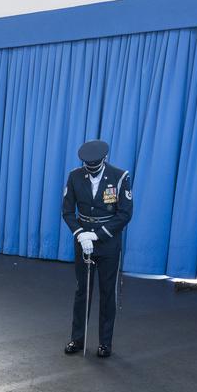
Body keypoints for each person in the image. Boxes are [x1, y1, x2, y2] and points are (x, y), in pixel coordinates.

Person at [61, 139, 134, 357]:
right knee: (82, 291)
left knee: (107, 292)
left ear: (104, 159)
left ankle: (105, 342)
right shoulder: (75, 176)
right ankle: (77, 339)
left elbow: (125, 213)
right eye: (87, 165)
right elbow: (67, 211)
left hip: (108, 243)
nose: (91, 169)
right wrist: (80, 233)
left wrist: (99, 234)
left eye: (95, 165)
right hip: (83, 241)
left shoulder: (120, 176)